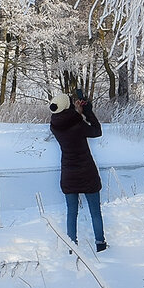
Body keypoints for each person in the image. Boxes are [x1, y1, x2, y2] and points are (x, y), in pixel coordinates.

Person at [49, 90, 108, 252]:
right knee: (95, 212)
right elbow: (96, 131)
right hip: (87, 172)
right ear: (68, 107)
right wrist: (87, 112)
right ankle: (100, 244)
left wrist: (78, 113)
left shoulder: (54, 125)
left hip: (68, 174)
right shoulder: (78, 124)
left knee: (71, 213)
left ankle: (72, 247)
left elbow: (67, 120)